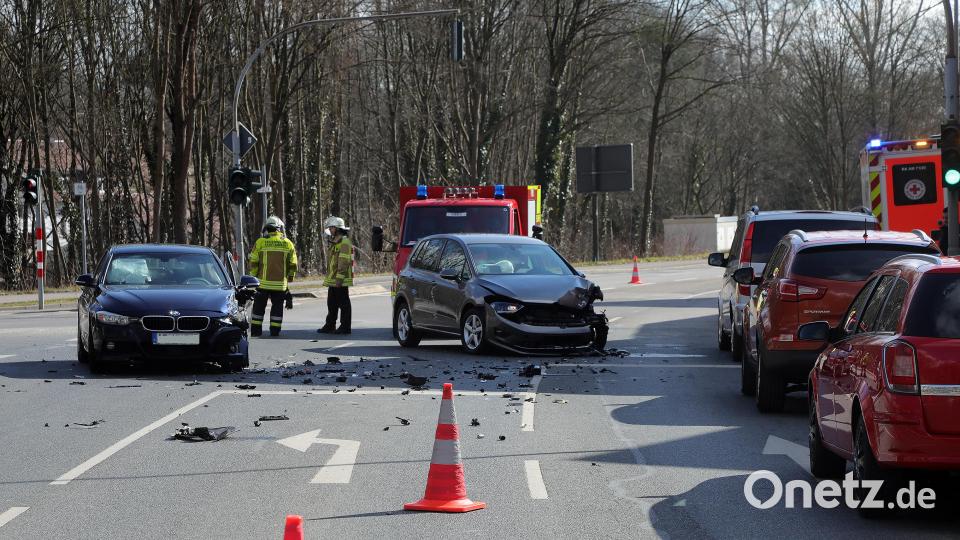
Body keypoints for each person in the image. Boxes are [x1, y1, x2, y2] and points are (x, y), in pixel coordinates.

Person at [248, 216, 298, 337]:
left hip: (262, 284)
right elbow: (293, 263)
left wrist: (253, 278)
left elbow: (253, 261)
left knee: (258, 310)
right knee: (277, 309)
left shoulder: (260, 242)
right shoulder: (287, 243)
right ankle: (275, 331)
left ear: (267, 228)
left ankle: (256, 331)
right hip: (280, 285)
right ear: (279, 228)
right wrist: (290, 277)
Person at [317, 216, 353, 335]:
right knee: (331, 303)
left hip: (340, 280)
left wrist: (339, 278)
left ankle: (345, 327)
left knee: (344, 304)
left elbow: (343, 261)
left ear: (337, 228)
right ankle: (330, 325)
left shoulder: (344, 242)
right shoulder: (335, 242)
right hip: (333, 279)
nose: (330, 230)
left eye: (331, 227)